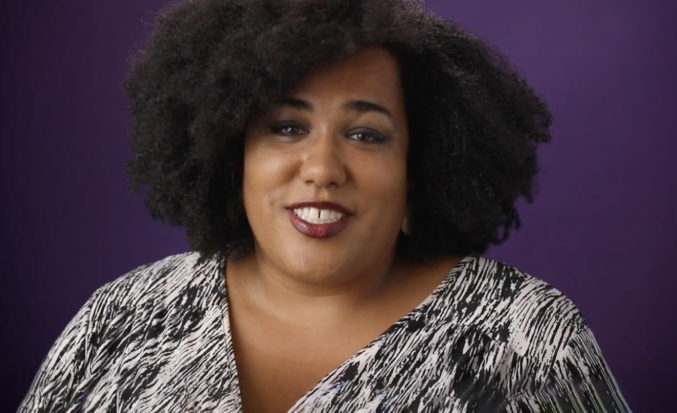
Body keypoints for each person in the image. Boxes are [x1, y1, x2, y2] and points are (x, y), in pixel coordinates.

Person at [19, 0, 631, 411]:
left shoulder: (528, 340)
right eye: (287, 127)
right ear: (234, 150)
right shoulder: (121, 319)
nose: (321, 168)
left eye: (365, 134)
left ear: (416, 169)